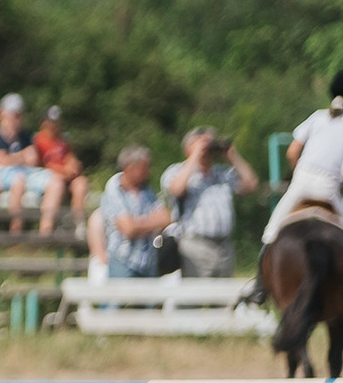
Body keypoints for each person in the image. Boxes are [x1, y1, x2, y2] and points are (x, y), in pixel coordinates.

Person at [162, 127, 256, 278]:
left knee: (223, 299)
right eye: (201, 144)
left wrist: (232, 156)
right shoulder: (177, 171)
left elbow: (251, 185)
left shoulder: (222, 173)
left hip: (224, 246)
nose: (207, 150)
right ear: (187, 149)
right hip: (195, 246)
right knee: (193, 297)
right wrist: (196, 154)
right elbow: (177, 189)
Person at [262, 69, 343, 244]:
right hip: (328, 187)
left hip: (302, 180)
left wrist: (299, 172)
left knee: (272, 230)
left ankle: (262, 265)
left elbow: (292, 152)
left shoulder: (317, 117)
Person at [86, 145, 171, 280]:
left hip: (148, 260)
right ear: (129, 167)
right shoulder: (114, 191)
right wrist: (151, 222)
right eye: (144, 168)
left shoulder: (149, 191)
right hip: (122, 259)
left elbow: (166, 219)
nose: (148, 172)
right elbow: (128, 229)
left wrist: (138, 224)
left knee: (148, 301)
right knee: (115, 300)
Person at [0, 93, 45, 229]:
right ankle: (16, 230)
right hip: (3, 178)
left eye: (19, 115)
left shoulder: (25, 135)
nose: (16, 119)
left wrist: (14, 158)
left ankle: (47, 230)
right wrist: (22, 156)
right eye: (13, 115)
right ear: (1, 115)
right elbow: (0, 160)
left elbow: (33, 159)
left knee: (55, 181)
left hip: (24, 174)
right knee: (18, 180)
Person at [29, 106, 87, 233]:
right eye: (52, 122)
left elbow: (70, 156)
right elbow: (41, 165)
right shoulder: (38, 140)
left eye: (57, 122)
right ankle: (46, 230)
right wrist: (63, 171)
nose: (55, 125)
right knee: (57, 182)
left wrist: (74, 165)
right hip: (50, 177)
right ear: (44, 123)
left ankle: (77, 224)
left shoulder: (64, 139)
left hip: (66, 175)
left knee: (81, 183)